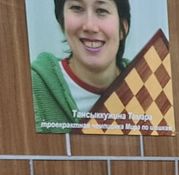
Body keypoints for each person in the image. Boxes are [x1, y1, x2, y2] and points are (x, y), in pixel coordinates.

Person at [31, 0, 132, 131]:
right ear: (62, 22)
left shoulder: (146, 84)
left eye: (101, 11)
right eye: (77, 8)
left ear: (123, 27)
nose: (90, 26)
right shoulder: (31, 87)